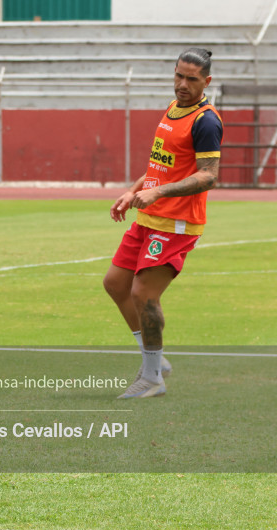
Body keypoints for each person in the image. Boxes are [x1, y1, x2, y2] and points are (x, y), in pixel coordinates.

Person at [104, 48, 222, 399]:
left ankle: (153, 376)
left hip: (177, 223)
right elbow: (160, 165)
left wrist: (159, 194)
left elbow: (209, 175)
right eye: (178, 76)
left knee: (144, 294)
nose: (182, 84)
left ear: (207, 82)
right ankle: (155, 359)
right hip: (150, 216)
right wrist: (133, 191)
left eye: (192, 79)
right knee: (115, 284)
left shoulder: (206, 120)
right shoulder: (173, 109)